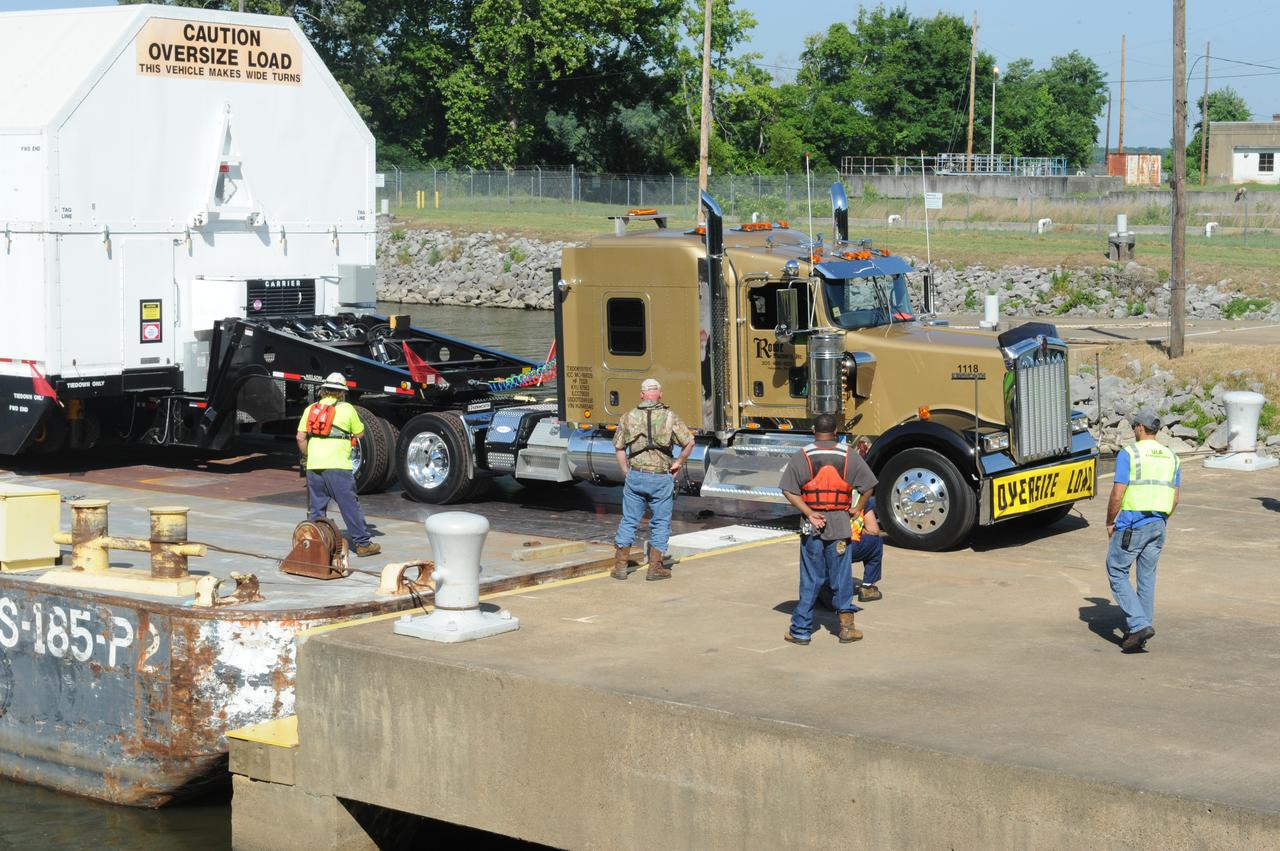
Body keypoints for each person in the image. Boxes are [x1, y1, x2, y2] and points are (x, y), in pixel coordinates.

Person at [779, 413, 881, 644]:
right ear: (835, 432)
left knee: (811, 578)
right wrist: (858, 508)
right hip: (840, 524)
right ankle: (846, 629)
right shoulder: (849, 455)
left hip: (812, 524)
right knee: (841, 577)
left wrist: (808, 512)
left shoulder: (803, 455)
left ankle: (801, 631)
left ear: (814, 430)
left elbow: (788, 489)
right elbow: (869, 486)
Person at [1105, 409, 1180, 653]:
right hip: (1159, 523)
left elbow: (1118, 492)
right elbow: (1175, 497)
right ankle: (1142, 629)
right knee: (1147, 577)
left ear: (1139, 428)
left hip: (1133, 523)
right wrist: (1161, 518)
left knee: (1116, 570)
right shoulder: (1171, 456)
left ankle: (1138, 625)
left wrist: (1110, 521)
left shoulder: (1130, 453)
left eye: (1133, 426)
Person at [612, 378, 695, 581]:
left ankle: (620, 566)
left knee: (629, 520)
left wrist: (626, 471)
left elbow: (619, 448)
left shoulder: (628, 416)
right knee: (660, 523)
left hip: (636, 475)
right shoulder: (670, 417)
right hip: (660, 477)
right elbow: (689, 442)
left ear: (641, 395)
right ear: (660, 394)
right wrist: (679, 462)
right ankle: (655, 568)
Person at [295, 373, 381, 557]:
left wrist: (309, 454)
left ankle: (313, 544)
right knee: (349, 505)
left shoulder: (311, 409)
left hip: (314, 465)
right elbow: (359, 434)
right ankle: (363, 544)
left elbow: (300, 437)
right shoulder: (347, 409)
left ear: (324, 390)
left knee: (317, 507)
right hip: (338, 466)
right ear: (342, 392)